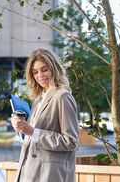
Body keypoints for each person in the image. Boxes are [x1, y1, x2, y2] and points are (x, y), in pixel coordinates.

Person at [11, 48, 79, 182]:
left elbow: (71, 141)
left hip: (50, 175)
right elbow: (32, 136)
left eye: (44, 69)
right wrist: (21, 129)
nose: (40, 75)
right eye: (35, 72)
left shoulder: (62, 96)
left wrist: (32, 132)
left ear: (54, 68)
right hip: (29, 172)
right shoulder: (38, 99)